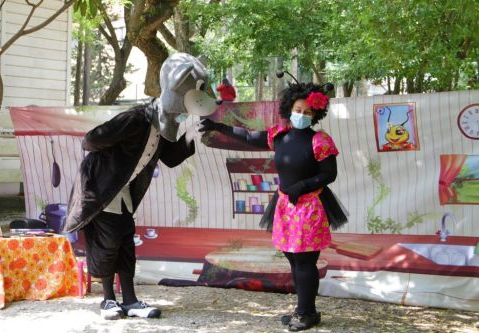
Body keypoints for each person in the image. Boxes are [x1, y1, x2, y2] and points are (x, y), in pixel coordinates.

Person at [64, 53, 215, 320]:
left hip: (124, 194)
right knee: (108, 242)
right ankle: (108, 301)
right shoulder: (136, 118)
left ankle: (131, 301)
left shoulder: (163, 127)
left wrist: (192, 134)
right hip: (102, 190)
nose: (183, 112)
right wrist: (108, 164)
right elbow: (91, 140)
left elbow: (170, 158)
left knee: (125, 243)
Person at [199, 80, 346, 331]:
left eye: (308, 112)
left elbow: (328, 174)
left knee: (305, 262)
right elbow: (247, 136)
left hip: (308, 207)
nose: (301, 115)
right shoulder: (279, 135)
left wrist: (301, 187)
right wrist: (218, 126)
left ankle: (304, 313)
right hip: (285, 206)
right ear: (290, 108)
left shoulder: (320, 141)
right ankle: (307, 310)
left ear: (316, 114)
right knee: (292, 259)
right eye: (298, 110)